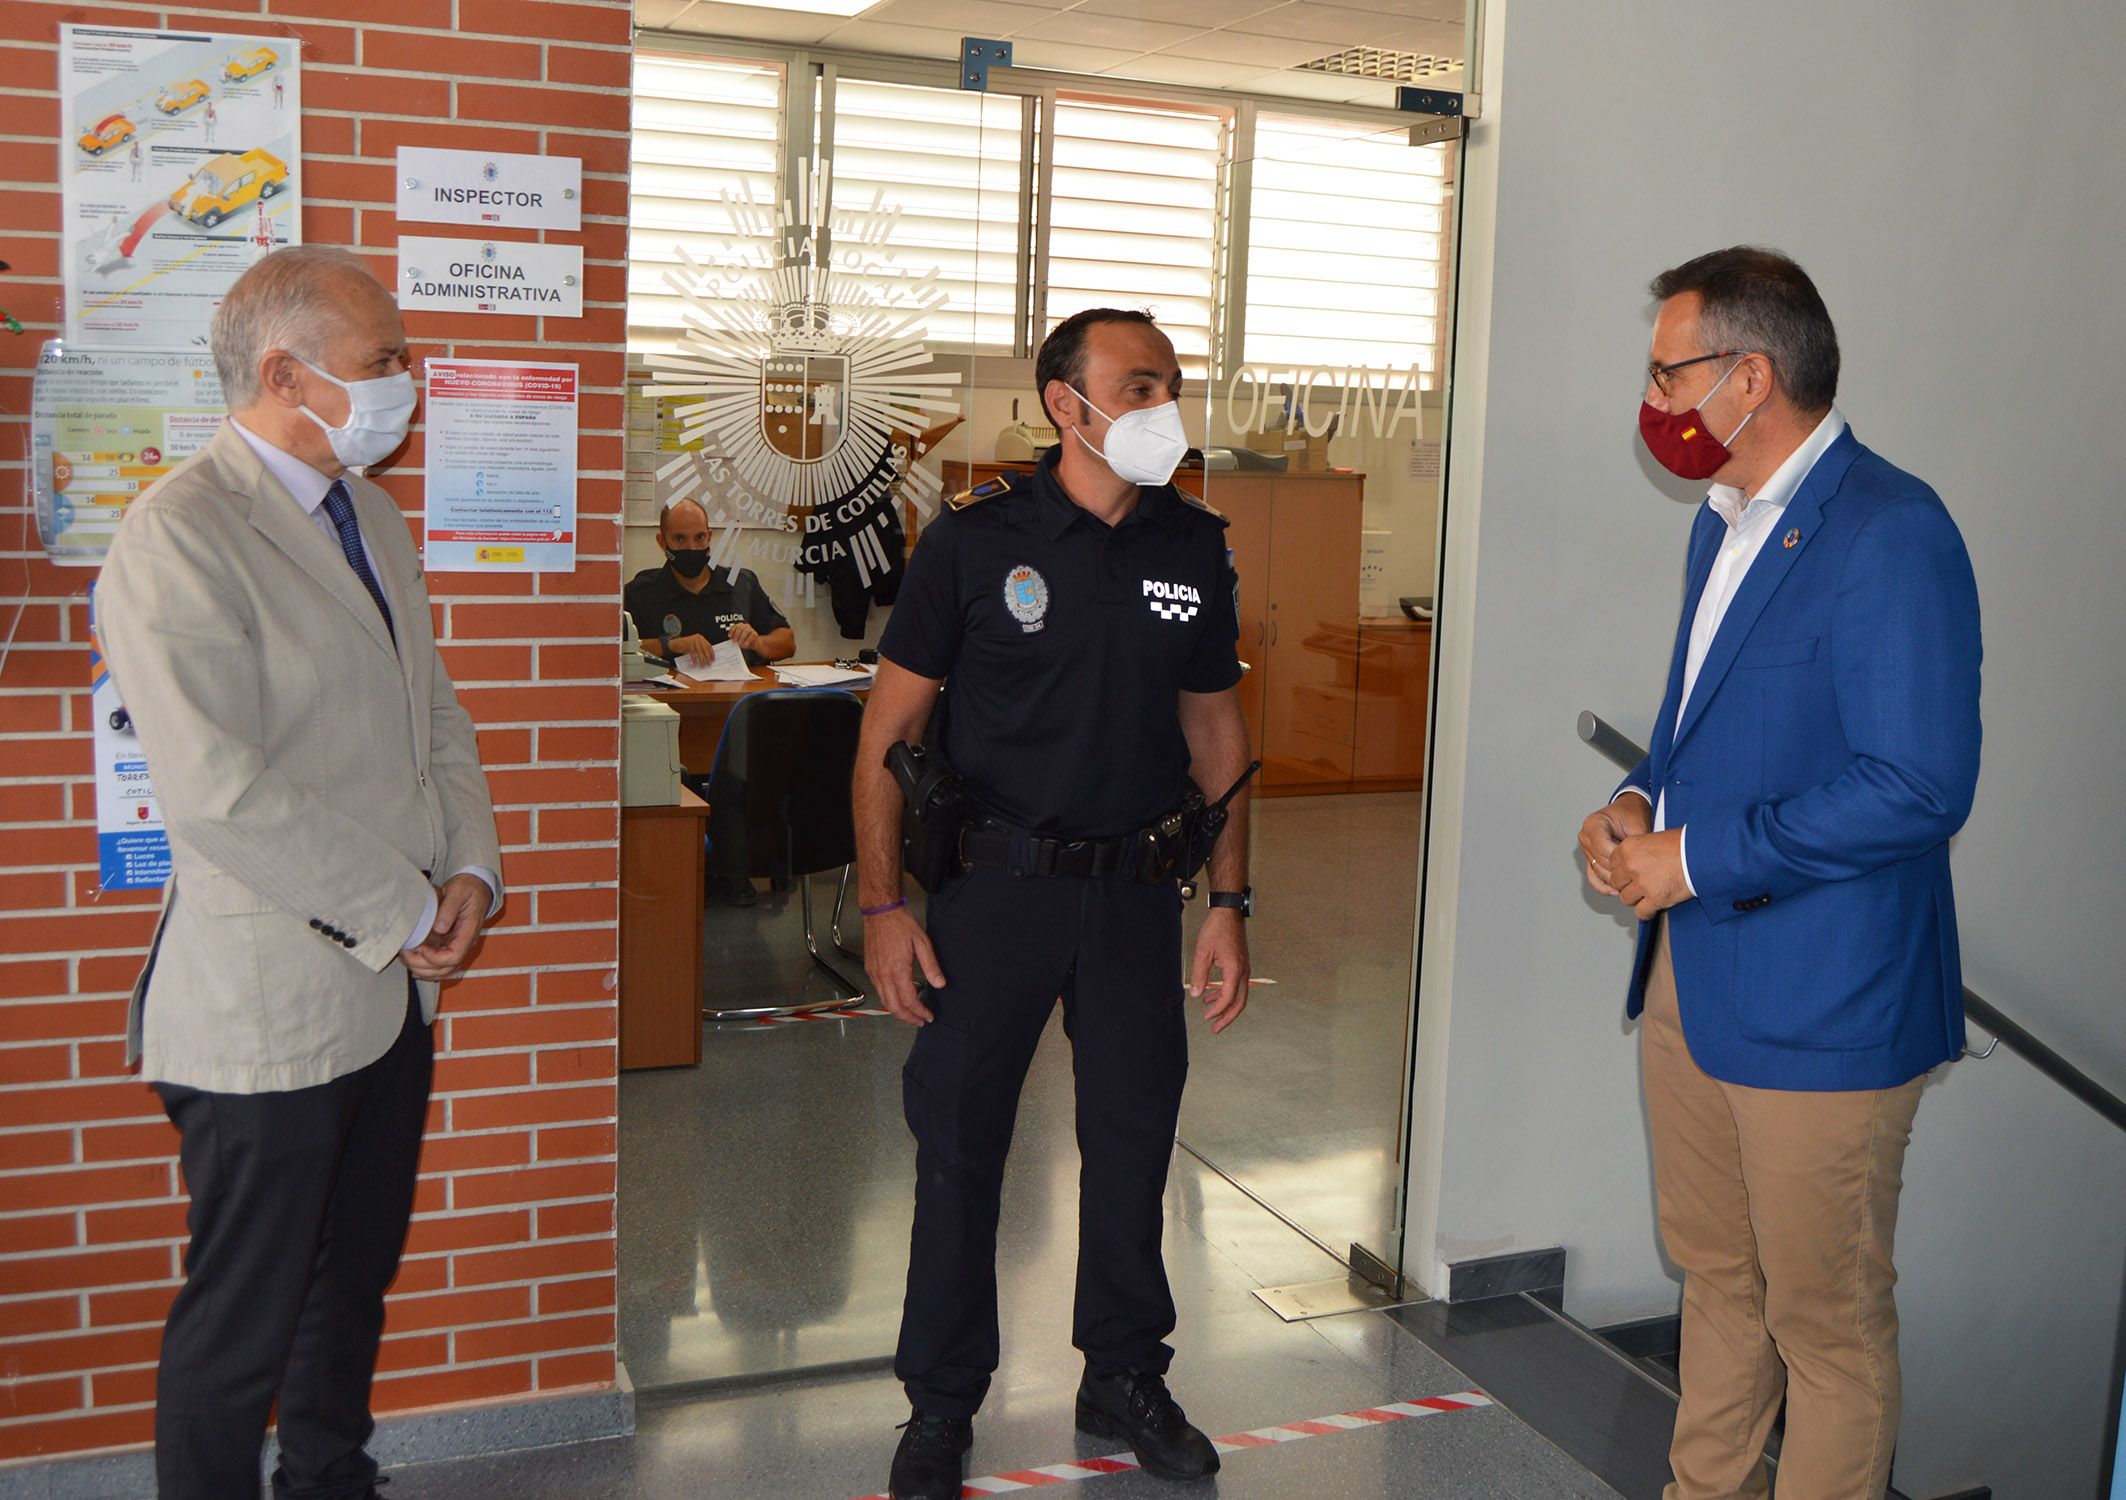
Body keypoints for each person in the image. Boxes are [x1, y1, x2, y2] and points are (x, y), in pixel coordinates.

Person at [96, 245, 503, 1500]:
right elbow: (220, 792)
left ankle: (332, 1478)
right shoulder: (180, 535)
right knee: (244, 1323)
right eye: (383, 361)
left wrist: (473, 875)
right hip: (270, 1002)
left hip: (389, 999)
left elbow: (432, 712)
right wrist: (401, 910)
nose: (408, 382)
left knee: (351, 1283)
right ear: (286, 373)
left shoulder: (367, 512)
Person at [1578, 247, 1981, 1500]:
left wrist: (1689, 857)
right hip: (1695, 979)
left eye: (1669, 372)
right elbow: (1704, 718)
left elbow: (1915, 786)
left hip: (1828, 1001)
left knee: (1827, 1325)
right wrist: (1640, 799)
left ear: (1750, 375)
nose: (1655, 402)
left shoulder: (1889, 528)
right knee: (1715, 1276)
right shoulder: (1726, 524)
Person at [852, 308, 1256, 1500]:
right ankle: (940, 1402)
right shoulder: (972, 545)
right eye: (1136, 385)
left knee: (1131, 1145)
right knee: (960, 1151)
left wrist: (1229, 900)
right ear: (1061, 402)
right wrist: (883, 908)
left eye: (1170, 385)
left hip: (1134, 897)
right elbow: (886, 732)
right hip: (994, 895)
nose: (1160, 407)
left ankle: (1123, 1371)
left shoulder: (1193, 543)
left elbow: (1216, 727)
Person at [624, 498, 794, 905]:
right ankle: (687, 875)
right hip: (672, 722)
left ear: (710, 538)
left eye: (699, 538)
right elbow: (617, 644)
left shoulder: (741, 583)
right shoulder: (642, 590)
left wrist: (758, 641)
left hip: (738, 716)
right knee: (691, 778)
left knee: (740, 776)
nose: (691, 547)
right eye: (680, 539)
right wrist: (669, 644)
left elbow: (786, 641)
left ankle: (732, 874)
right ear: (662, 541)